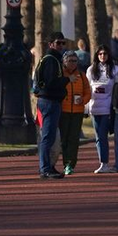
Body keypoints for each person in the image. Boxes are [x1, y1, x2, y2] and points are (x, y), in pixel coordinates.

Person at [33, 30, 70, 179]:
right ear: (50, 44)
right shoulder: (51, 60)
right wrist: (67, 80)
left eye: (63, 43)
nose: (61, 46)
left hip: (51, 101)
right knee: (47, 136)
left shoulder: (52, 59)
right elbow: (50, 83)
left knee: (51, 136)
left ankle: (49, 166)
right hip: (49, 101)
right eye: (58, 43)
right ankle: (44, 168)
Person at [58, 51, 91, 175]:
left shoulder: (81, 76)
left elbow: (87, 91)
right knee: (63, 139)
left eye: (75, 61)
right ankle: (64, 161)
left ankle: (70, 164)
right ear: (64, 62)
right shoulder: (61, 75)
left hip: (77, 111)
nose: (73, 63)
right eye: (70, 61)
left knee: (73, 139)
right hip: (64, 111)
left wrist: (84, 100)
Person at [88, 46, 117, 173]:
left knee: (103, 136)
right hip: (94, 107)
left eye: (105, 53)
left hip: (107, 107)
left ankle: (105, 163)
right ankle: (102, 162)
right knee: (98, 137)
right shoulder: (91, 70)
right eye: (100, 54)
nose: (102, 56)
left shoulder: (114, 70)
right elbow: (87, 88)